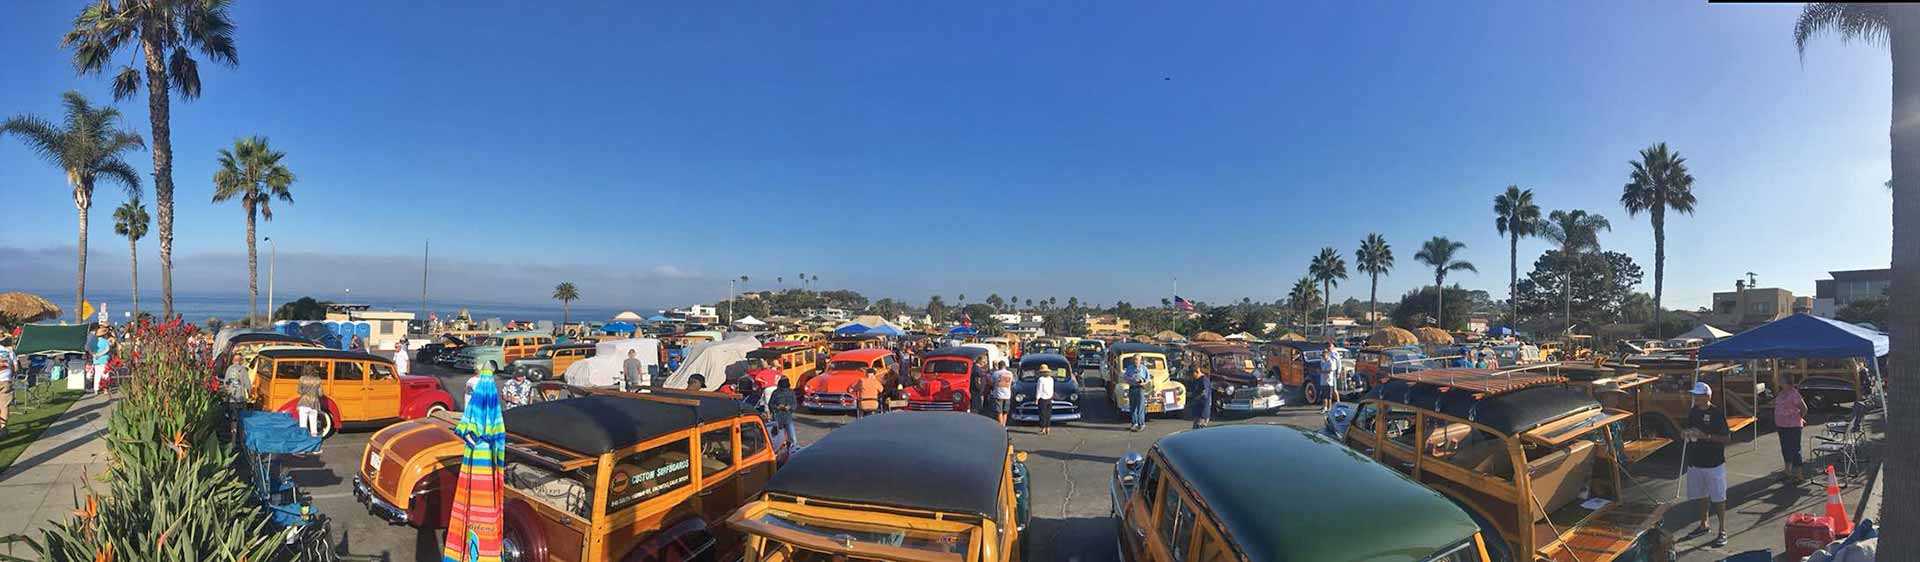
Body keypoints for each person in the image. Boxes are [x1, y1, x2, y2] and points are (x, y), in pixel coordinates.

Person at [1682, 382, 1732, 547]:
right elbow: (1688, 428)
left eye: (1698, 395)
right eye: (1694, 395)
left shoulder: (1717, 413)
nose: (1695, 398)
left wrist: (1706, 436)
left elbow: (1726, 438)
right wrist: (1685, 433)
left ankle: (1722, 530)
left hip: (1714, 463)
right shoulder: (1693, 411)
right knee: (1700, 495)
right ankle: (1704, 524)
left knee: (1718, 497)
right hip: (1695, 462)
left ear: (1707, 397)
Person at [1773, 371, 1808, 482]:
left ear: (1786, 381)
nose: (1778, 380)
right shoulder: (1781, 393)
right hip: (1781, 425)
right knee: (1785, 448)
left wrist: (1798, 417)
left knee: (1795, 449)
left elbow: (1804, 408)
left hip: (1793, 426)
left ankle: (1799, 474)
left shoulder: (1794, 393)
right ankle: (1787, 471)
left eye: (1780, 379)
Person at [1123, 356, 1150, 432]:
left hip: (1140, 389)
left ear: (1140, 360)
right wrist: (1131, 378)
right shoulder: (1129, 368)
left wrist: (1143, 382)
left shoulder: (1144, 369)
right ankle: (1134, 423)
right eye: (1135, 359)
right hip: (1132, 388)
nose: (1136, 361)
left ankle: (1141, 424)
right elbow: (1125, 376)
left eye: (1137, 359)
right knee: (1133, 407)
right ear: (1133, 360)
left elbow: (1148, 379)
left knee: (1140, 407)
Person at [296, 371, 326, 437]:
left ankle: (304, 439)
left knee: (303, 424)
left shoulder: (302, 379)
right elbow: (320, 394)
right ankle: (314, 439)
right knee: (313, 424)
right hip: (314, 404)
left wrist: (305, 391)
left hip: (304, 403)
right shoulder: (318, 380)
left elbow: (299, 391)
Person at [769, 377, 798, 444]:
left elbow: (794, 404)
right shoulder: (776, 393)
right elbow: (770, 404)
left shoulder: (791, 392)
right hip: (777, 417)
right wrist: (777, 407)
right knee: (779, 439)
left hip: (788, 417)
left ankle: (792, 449)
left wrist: (790, 407)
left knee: (792, 438)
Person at [90, 327, 112, 397]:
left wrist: (94, 355)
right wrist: (101, 354)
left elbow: (89, 349)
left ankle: (96, 390)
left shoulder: (93, 342)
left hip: (96, 360)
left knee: (97, 375)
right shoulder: (106, 341)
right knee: (105, 375)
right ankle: (105, 389)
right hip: (104, 359)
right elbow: (108, 349)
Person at [1035, 364, 1056, 435]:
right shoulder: (1051, 379)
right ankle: (1048, 428)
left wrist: (1037, 398)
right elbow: (1052, 389)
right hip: (1049, 398)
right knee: (1048, 414)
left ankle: (1043, 429)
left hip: (1042, 398)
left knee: (1042, 414)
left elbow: (1039, 390)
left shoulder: (1041, 379)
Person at [1319, 341, 1341, 413]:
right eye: (1327, 346)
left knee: (1334, 390)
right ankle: (1325, 406)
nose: (1328, 347)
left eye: (1330, 346)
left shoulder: (1335, 353)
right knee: (1324, 393)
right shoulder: (1324, 353)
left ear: (1333, 346)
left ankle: (1338, 404)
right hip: (1324, 375)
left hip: (1333, 372)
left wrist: (1338, 372)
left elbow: (1339, 363)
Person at [0, 335, 14, 438]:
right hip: (5, 379)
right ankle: (3, 428)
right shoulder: (9, 351)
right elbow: (16, 367)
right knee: (4, 405)